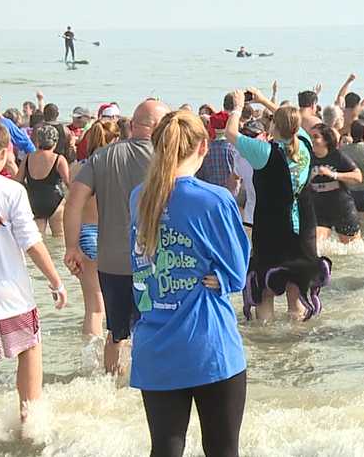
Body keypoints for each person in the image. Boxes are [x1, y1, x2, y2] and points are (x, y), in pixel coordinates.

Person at [127, 109, 249, 457]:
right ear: (203, 147)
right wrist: (217, 276)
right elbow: (238, 273)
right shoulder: (214, 199)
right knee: (222, 450)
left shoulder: (139, 196)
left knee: (165, 450)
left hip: (154, 343)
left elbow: (138, 264)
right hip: (209, 344)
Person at [0, 119, 66, 444]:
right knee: (29, 350)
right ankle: (29, 426)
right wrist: (56, 281)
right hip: (11, 291)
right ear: (6, 150)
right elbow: (31, 241)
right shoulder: (10, 189)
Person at [63, 99, 171, 374]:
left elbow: (74, 201)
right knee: (157, 329)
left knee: (116, 333)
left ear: (134, 125)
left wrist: (72, 247)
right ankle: (151, 385)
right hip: (155, 261)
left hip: (112, 262)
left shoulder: (102, 157)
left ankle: (113, 385)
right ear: (159, 127)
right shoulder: (166, 160)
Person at [226, 89, 328, 322]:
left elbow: (231, 133)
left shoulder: (263, 151)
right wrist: (264, 100)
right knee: (297, 285)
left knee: (265, 289)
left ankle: (268, 344)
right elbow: (291, 123)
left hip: (271, 226)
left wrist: (237, 107)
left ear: (273, 127)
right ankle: (297, 339)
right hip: (302, 225)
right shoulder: (304, 143)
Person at [71, 120, 119, 337]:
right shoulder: (117, 168)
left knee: (93, 307)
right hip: (110, 234)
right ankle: (114, 355)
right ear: (116, 140)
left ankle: (90, 359)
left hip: (85, 233)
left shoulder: (77, 168)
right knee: (116, 305)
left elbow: (71, 205)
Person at [309, 124, 363, 244]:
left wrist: (334, 175)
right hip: (319, 209)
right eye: (310, 137)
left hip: (342, 208)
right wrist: (309, 178)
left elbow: (358, 177)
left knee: (353, 250)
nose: (311, 140)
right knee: (315, 245)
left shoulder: (337, 156)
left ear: (326, 140)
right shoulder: (308, 158)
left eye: (315, 137)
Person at [16, 125, 70, 236]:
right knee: (59, 238)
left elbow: (18, 181)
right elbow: (69, 183)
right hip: (55, 202)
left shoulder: (27, 158)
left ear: (37, 141)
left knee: (37, 238)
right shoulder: (59, 159)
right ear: (55, 142)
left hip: (34, 203)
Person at [196, 110, 239, 197]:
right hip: (230, 195)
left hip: (209, 194)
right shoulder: (234, 148)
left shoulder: (205, 148)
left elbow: (200, 175)